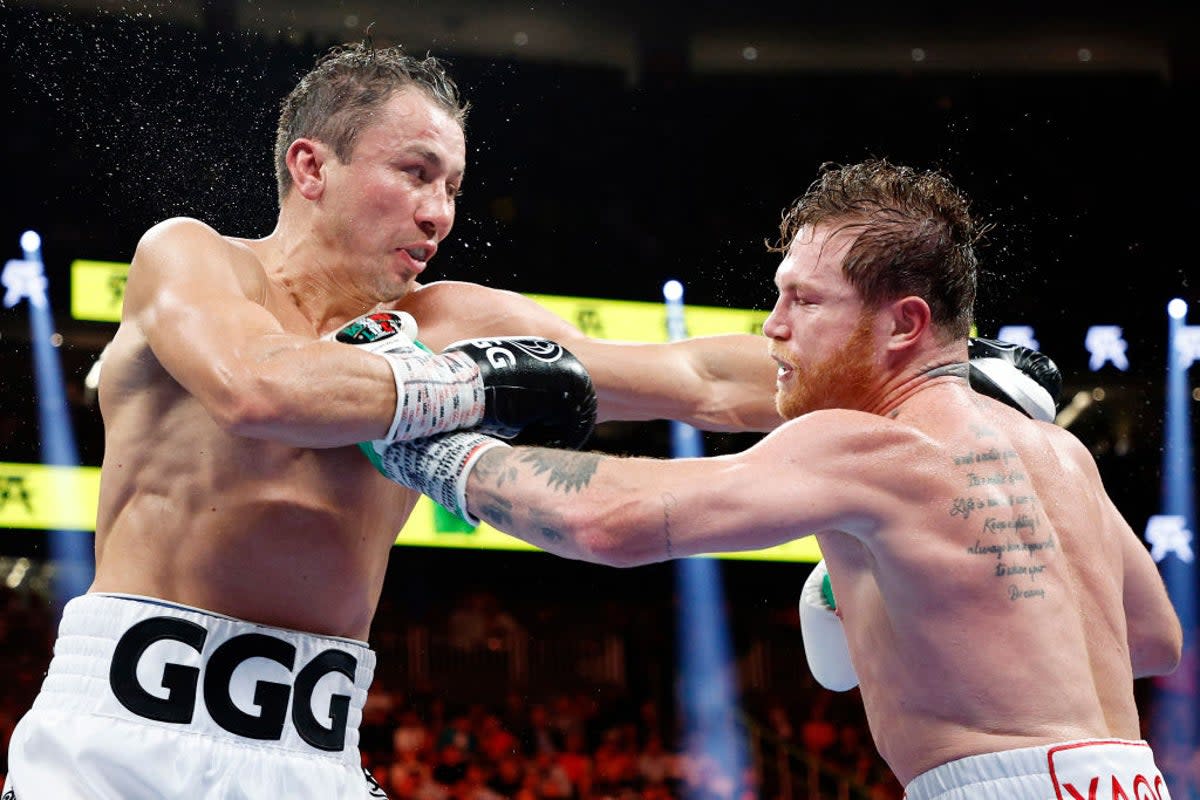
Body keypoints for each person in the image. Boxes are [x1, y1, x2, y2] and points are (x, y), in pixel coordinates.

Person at [2, 39, 1066, 797]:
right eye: (414, 172)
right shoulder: (188, 258)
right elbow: (259, 388)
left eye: (455, 186)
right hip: (117, 740)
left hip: (306, 757)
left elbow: (694, 374)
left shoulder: (448, 316)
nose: (440, 212)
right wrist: (474, 385)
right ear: (310, 165)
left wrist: (934, 369)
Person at [377, 158, 1183, 800]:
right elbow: (1154, 639)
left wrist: (437, 454)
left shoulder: (865, 446)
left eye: (804, 299)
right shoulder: (1059, 453)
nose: (774, 325)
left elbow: (612, 520)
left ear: (904, 323)